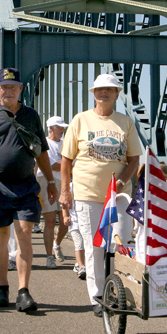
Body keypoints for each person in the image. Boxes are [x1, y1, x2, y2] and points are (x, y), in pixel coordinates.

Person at [0, 67, 57, 313]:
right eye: (4, 86)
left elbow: (41, 152)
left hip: (26, 186)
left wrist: (50, 181)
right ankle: (2, 286)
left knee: (25, 234)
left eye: (13, 87)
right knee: (1, 236)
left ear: (20, 89)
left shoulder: (31, 116)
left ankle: (23, 291)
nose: (8, 91)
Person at [59, 73, 142, 317]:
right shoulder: (80, 120)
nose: (103, 93)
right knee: (95, 246)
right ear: (93, 94)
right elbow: (66, 159)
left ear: (117, 94)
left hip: (118, 196)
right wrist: (66, 191)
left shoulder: (125, 123)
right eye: (99, 89)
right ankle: (98, 296)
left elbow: (134, 158)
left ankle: (120, 290)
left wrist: (123, 180)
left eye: (109, 89)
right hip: (87, 194)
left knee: (121, 244)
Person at [36, 116, 70, 268]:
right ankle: (49, 256)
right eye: (59, 127)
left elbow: (65, 165)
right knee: (50, 221)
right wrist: (67, 163)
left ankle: (57, 244)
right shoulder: (44, 143)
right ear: (51, 128)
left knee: (65, 221)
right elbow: (49, 165)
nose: (62, 130)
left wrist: (64, 165)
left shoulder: (65, 144)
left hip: (63, 182)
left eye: (63, 127)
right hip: (46, 181)